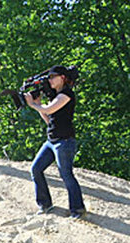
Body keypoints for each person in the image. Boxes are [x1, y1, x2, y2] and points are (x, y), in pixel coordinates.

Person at [24, 66, 86, 219]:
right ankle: (45, 204)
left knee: (66, 174)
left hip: (64, 142)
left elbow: (50, 109)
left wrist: (33, 104)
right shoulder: (56, 96)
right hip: (52, 141)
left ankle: (78, 208)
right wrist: (39, 106)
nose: (49, 80)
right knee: (36, 169)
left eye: (53, 77)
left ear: (63, 78)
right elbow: (49, 118)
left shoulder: (66, 94)